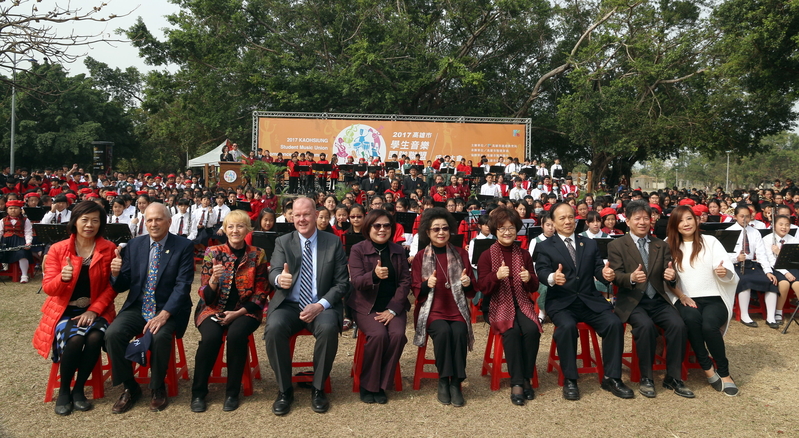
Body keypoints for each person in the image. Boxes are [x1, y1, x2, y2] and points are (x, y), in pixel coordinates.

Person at [533, 202, 632, 400]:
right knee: (567, 327)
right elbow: (541, 271)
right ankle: (570, 379)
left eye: (571, 217)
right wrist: (553, 277)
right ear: (553, 222)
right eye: (562, 218)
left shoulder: (589, 243)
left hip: (589, 300)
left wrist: (605, 274)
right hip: (562, 302)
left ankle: (612, 378)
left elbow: (598, 269)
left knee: (614, 324)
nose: (567, 221)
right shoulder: (544, 246)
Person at [105, 203, 195, 413]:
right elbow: (122, 285)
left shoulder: (183, 246)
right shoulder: (134, 245)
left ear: (169, 222)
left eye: (158, 219)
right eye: (150, 220)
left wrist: (164, 315)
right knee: (113, 334)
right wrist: (116, 274)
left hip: (168, 308)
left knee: (160, 336)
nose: (153, 224)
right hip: (138, 306)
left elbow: (182, 286)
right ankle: (130, 387)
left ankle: (157, 387)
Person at [265, 197, 349, 415]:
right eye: (297, 215)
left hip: (321, 305)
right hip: (289, 305)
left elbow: (342, 283)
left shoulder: (333, 242)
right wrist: (279, 279)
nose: (301, 219)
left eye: (306, 214)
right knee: (274, 328)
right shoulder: (283, 241)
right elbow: (274, 271)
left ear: (316, 215)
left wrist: (320, 305)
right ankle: (284, 390)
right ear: (291, 217)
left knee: (328, 328)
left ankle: (318, 388)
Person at [34, 201, 117, 415]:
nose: (89, 225)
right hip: (65, 311)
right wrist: (62, 279)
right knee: (75, 339)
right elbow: (48, 288)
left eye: (95, 220)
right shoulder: (58, 249)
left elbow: (111, 288)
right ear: (75, 222)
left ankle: (79, 389)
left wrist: (94, 310)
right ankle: (64, 391)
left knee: (95, 337)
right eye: (85, 220)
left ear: (101, 224)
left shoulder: (108, 249)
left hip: (97, 310)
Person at [607, 201, 693, 398]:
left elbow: (668, 272)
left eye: (646, 218)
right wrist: (630, 277)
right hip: (632, 301)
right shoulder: (616, 245)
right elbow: (615, 275)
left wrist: (671, 276)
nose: (642, 222)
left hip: (658, 299)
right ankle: (646, 377)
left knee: (678, 325)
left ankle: (673, 377)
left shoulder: (660, 245)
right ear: (628, 221)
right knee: (645, 327)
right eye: (637, 218)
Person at [190, 210, 268, 412]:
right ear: (224, 229)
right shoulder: (212, 252)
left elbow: (261, 293)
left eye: (240, 226)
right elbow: (205, 296)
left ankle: (232, 392)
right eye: (230, 226)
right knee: (210, 338)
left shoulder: (257, 254)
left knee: (236, 335)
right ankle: (198, 392)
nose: (235, 231)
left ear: (247, 229)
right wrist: (214, 280)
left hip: (245, 311)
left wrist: (237, 314)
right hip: (212, 308)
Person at [666, 205, 740, 396]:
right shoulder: (668, 245)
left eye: (689, 218)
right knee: (691, 319)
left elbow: (726, 268)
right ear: (674, 225)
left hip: (714, 297)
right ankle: (707, 367)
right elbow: (665, 279)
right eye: (681, 220)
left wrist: (723, 272)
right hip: (684, 298)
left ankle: (724, 373)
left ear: (696, 220)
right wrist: (681, 295)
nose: (686, 223)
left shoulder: (710, 241)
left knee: (709, 326)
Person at [410, 208, 476, 407]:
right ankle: (443, 380)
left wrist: (467, 283)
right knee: (443, 332)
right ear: (427, 232)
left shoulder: (461, 254)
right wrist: (425, 284)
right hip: (432, 311)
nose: (441, 232)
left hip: (457, 309)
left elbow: (472, 287)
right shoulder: (420, 257)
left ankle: (455, 382)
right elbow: (414, 288)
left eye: (445, 228)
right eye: (436, 229)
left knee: (459, 331)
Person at [477, 207, 541, 405]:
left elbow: (534, 286)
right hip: (496, 304)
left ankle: (526, 377)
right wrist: (496, 276)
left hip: (521, 302)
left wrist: (529, 278)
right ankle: (517, 382)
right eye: (502, 228)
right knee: (511, 331)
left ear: (517, 230)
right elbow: (483, 287)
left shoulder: (524, 254)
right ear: (495, 230)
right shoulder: (486, 255)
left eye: (511, 228)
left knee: (532, 329)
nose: (507, 232)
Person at [347, 209, 411, 404]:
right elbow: (356, 281)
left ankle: (381, 384)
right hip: (366, 306)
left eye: (386, 226)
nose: (382, 229)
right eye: (377, 225)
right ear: (369, 227)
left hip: (393, 306)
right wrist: (373, 276)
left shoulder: (398, 250)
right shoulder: (358, 249)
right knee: (378, 335)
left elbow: (405, 282)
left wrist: (393, 309)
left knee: (398, 336)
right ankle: (368, 385)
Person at [726, 205, 778, 328]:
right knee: (745, 280)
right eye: (741, 216)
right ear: (735, 217)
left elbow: (761, 254)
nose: (745, 219)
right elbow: (723, 255)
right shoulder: (729, 232)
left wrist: (768, 271)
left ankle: (771, 317)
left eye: (747, 216)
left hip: (751, 264)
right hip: (734, 265)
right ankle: (745, 315)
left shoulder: (755, 232)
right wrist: (736, 258)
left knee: (771, 281)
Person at [765, 215, 799, 327]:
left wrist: (779, 252)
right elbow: (771, 261)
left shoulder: (793, 240)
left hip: (792, 268)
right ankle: (778, 311)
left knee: (797, 284)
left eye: (787, 225)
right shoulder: (767, 239)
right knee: (784, 284)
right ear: (774, 225)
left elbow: (794, 259)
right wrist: (786, 273)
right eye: (781, 224)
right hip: (776, 268)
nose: (784, 227)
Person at [0, 200, 34, 282]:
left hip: (20, 241)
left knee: (22, 254)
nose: (13, 210)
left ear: (20, 210)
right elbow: (0, 232)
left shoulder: (25, 220)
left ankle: (24, 275)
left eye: (15, 208)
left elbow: (28, 232)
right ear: (7, 210)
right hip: (6, 242)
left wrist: (28, 242)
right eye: (11, 208)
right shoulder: (2, 220)